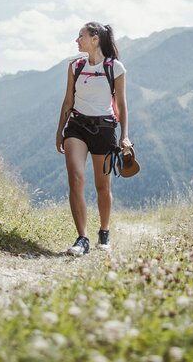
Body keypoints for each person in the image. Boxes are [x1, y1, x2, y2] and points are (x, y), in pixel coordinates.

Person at [55, 22, 131, 255]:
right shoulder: (75, 66)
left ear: (95, 38)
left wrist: (125, 136)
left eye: (81, 36)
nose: (77, 40)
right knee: (76, 179)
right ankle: (82, 238)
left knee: (102, 186)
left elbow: (121, 105)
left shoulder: (114, 67)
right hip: (76, 126)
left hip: (105, 128)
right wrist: (60, 131)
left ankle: (104, 232)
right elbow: (68, 100)